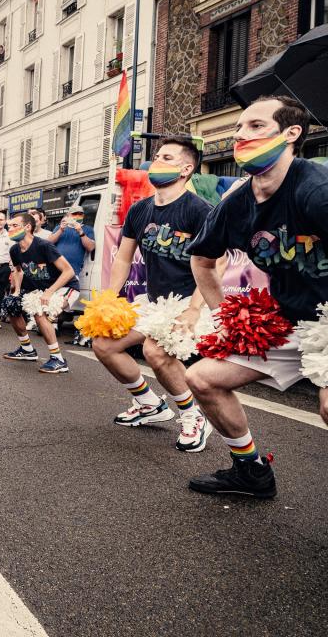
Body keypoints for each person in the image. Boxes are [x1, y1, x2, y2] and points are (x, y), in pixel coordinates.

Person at [186, 96, 328, 497]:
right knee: (203, 378)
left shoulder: (317, 192)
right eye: (238, 128)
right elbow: (201, 260)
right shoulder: (236, 203)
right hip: (288, 318)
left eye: (255, 126)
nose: (240, 136)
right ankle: (251, 473)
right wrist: (227, 318)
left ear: (291, 134)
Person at [91, 137, 214, 452]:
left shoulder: (200, 210)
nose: (157, 161)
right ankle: (149, 403)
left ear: (186, 168)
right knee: (103, 345)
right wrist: (109, 299)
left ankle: (193, 415)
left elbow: (216, 265)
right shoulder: (141, 210)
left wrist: (195, 310)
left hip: (188, 301)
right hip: (155, 301)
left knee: (155, 352)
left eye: (167, 157)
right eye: (157, 156)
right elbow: (122, 257)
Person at [3, 213, 77, 374]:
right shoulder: (14, 250)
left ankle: (58, 359)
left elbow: (68, 271)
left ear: (27, 227)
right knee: (11, 306)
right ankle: (27, 349)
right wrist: (16, 292)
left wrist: (50, 292)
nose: (10, 229)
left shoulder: (44, 246)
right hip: (39, 290)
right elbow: (18, 271)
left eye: (14, 226)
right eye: (9, 226)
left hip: (64, 288)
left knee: (39, 312)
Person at [46, 206, 94, 280]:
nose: (78, 216)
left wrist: (81, 232)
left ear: (83, 216)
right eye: (74, 214)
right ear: (68, 215)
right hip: (55, 269)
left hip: (73, 270)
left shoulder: (87, 229)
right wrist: (61, 230)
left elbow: (91, 247)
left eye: (80, 214)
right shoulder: (59, 227)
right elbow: (48, 243)